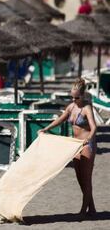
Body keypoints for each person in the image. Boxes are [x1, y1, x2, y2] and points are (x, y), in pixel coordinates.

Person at [38, 78, 97, 218]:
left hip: (87, 144)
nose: (74, 99)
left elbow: (94, 127)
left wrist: (89, 138)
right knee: (79, 177)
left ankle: (84, 210)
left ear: (82, 95)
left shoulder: (87, 108)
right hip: (75, 144)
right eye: (72, 97)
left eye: (76, 97)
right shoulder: (71, 107)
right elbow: (60, 119)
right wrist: (45, 128)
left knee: (86, 178)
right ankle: (92, 208)